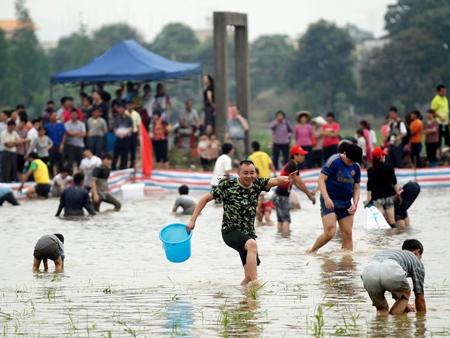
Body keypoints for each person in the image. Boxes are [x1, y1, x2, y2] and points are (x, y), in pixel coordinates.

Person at [186, 160, 298, 286]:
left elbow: (276, 180)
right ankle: (256, 285)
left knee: (248, 277)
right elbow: (205, 199)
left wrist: (287, 178)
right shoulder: (227, 185)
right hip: (230, 230)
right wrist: (192, 220)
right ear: (238, 173)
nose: (249, 176)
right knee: (252, 245)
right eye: (245, 173)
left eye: (252, 173)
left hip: (248, 233)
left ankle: (245, 298)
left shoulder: (257, 184)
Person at [308, 143, 362, 253]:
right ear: (345, 154)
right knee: (330, 231)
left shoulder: (356, 166)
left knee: (348, 233)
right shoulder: (334, 161)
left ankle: (346, 262)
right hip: (330, 200)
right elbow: (321, 180)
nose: (350, 163)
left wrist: (355, 204)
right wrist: (326, 198)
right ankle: (312, 251)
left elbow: (356, 187)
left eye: (353, 162)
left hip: (346, 203)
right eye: (349, 160)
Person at [361, 239, 426, 316]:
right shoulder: (416, 261)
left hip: (369, 272)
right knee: (405, 295)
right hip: (391, 268)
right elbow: (419, 296)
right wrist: (422, 318)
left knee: (381, 308)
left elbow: (397, 294)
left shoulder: (394, 254)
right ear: (418, 252)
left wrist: (406, 306)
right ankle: (395, 319)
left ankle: (380, 324)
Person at [273, 145, 316, 235]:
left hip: (277, 195)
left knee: (281, 220)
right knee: (286, 220)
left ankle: (280, 241)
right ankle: (286, 241)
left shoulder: (290, 165)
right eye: (301, 155)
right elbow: (299, 182)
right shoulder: (293, 166)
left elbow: (297, 183)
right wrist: (308, 194)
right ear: (295, 155)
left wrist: (307, 193)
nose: (303, 157)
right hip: (282, 196)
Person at [366, 147, 398, 227]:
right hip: (389, 197)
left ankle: (381, 239)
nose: (384, 157)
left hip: (377, 199)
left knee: (380, 222)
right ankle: (393, 238)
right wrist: (397, 193)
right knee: (392, 221)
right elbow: (394, 182)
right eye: (383, 155)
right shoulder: (389, 168)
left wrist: (368, 199)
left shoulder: (370, 170)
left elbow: (370, 186)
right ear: (379, 157)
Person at [45, 111, 66, 177]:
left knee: (60, 162)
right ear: (50, 117)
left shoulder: (60, 125)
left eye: (55, 115)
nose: (54, 117)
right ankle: (51, 176)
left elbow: (64, 134)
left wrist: (62, 144)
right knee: (50, 162)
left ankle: (60, 175)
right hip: (50, 146)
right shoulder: (47, 126)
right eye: (53, 115)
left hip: (59, 145)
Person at [112, 102, 133, 170]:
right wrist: (118, 134)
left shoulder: (129, 118)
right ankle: (113, 168)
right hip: (118, 137)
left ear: (124, 109)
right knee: (116, 153)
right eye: (119, 108)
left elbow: (130, 128)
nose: (120, 110)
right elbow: (114, 128)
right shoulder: (116, 118)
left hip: (126, 138)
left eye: (121, 108)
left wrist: (124, 134)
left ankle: (123, 168)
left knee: (125, 154)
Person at [431, 84, 449, 149]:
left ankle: (446, 153)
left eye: (445, 91)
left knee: (447, 139)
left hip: (445, 123)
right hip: (438, 123)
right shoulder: (435, 100)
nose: (444, 92)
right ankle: (439, 153)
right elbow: (432, 112)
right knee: (439, 139)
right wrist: (440, 117)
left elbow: (446, 111)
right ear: (438, 92)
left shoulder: (445, 99)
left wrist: (448, 120)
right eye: (442, 91)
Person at [126, 101, 142, 168]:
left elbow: (139, 126)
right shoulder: (125, 113)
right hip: (126, 133)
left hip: (134, 133)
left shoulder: (136, 114)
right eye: (128, 105)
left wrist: (139, 135)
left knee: (133, 150)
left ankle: (132, 165)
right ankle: (125, 164)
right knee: (126, 149)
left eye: (131, 105)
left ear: (133, 106)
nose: (130, 107)